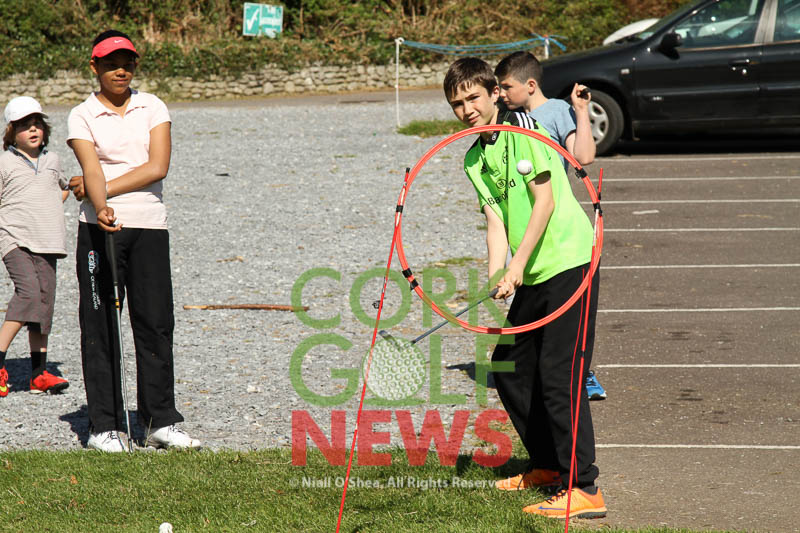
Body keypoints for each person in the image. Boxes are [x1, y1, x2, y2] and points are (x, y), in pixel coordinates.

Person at [443, 57, 606, 519]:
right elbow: (496, 221)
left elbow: (545, 202)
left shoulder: (524, 131)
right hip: (533, 271)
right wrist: (498, 272)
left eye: (474, 98)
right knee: (511, 368)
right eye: (457, 104)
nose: (467, 110)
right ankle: (548, 466)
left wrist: (517, 263)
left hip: (569, 261)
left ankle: (584, 486)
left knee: (559, 375)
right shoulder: (474, 158)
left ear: (495, 93)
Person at [67, 30, 200, 452]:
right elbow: (89, 165)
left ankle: (160, 421)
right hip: (99, 229)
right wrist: (99, 204)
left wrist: (98, 190)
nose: (120, 71)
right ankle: (103, 426)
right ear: (95, 67)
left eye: (126, 64)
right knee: (101, 326)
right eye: (111, 64)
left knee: (155, 322)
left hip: (149, 226)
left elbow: (157, 167)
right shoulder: (82, 115)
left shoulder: (152, 106)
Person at [495, 51, 607, 401]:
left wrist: (580, 111)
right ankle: (540, 374)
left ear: (530, 85)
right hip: (524, 228)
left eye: (506, 87)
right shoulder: (506, 119)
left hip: (556, 225)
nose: (501, 94)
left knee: (566, 319)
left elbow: (583, 157)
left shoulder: (556, 112)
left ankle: (580, 374)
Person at [0, 97, 70, 398]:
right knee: (28, 293)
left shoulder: (53, 160)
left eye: (38, 125)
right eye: (24, 126)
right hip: (14, 239)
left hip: (49, 241)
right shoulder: (4, 162)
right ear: (11, 132)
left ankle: (39, 374)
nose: (33, 130)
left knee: (43, 305)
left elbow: (63, 190)